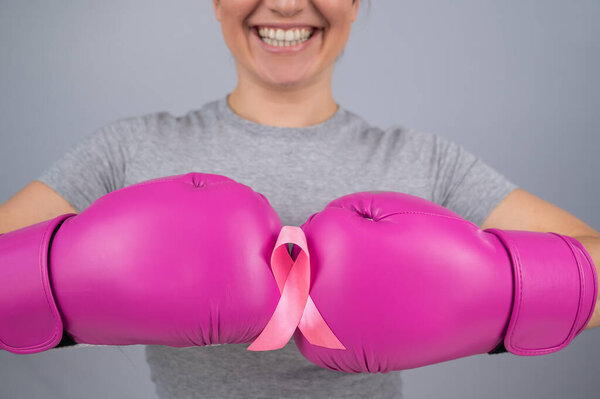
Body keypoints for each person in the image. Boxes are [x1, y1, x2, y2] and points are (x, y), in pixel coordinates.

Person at [1, 0, 599, 398]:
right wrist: (73, 280)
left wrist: (487, 290)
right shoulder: (129, 148)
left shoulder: (425, 160)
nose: (286, 3)